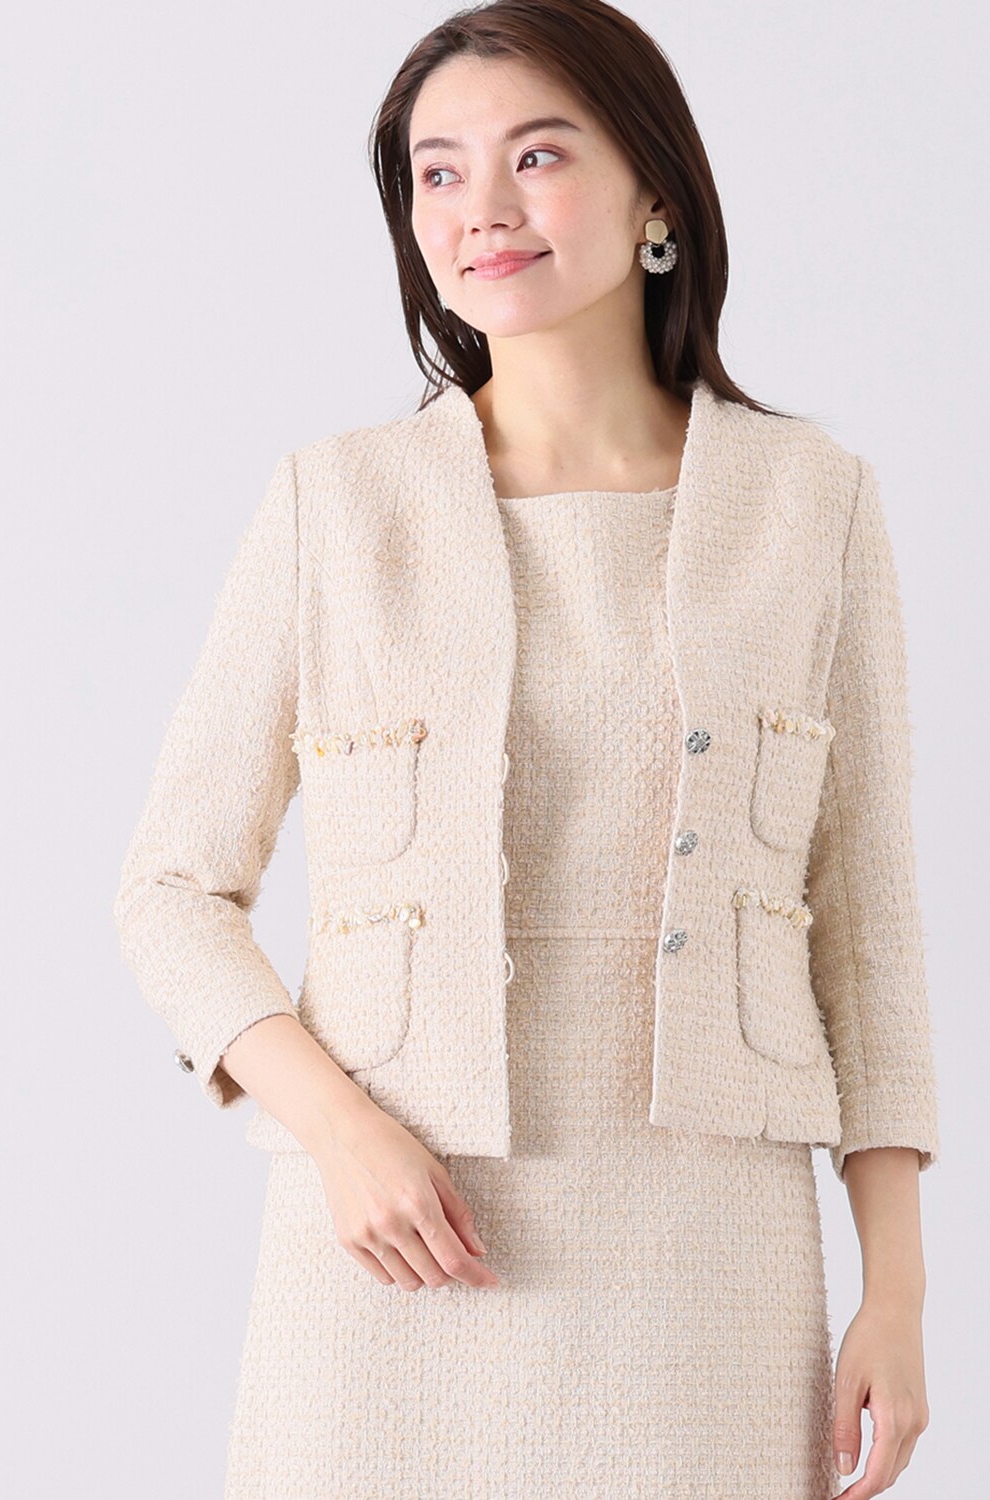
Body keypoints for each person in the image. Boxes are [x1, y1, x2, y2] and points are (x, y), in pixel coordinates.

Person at [113, 2, 940, 1495]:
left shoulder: (809, 503)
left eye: (538, 156)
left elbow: (865, 925)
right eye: (438, 172)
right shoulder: (335, 506)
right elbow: (171, 892)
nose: (481, 208)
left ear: (657, 196)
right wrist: (341, 1134)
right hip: (391, 1254)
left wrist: (898, 1293)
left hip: (707, 1265)